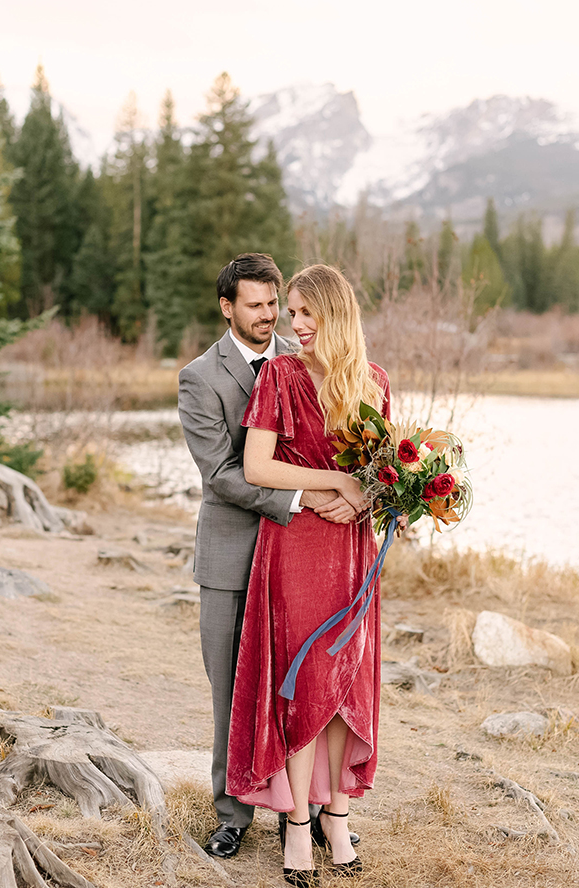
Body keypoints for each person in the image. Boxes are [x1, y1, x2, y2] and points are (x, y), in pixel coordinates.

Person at [226, 264, 406, 885]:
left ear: (337, 317)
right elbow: (257, 467)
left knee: (343, 685)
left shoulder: (374, 383)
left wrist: (364, 498)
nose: (294, 326)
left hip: (354, 550)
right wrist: (336, 481)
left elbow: (387, 474)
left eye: (307, 314)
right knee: (303, 681)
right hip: (298, 548)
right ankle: (297, 823)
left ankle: (337, 813)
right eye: (291, 313)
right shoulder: (278, 375)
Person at [178, 254, 356, 860]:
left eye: (273, 303)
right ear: (227, 307)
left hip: (302, 560)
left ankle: (297, 810)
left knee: (297, 685)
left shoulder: (303, 357)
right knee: (233, 690)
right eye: (254, 305)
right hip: (233, 556)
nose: (268, 315)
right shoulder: (199, 378)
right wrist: (310, 493)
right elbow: (223, 474)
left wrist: (357, 498)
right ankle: (233, 814)